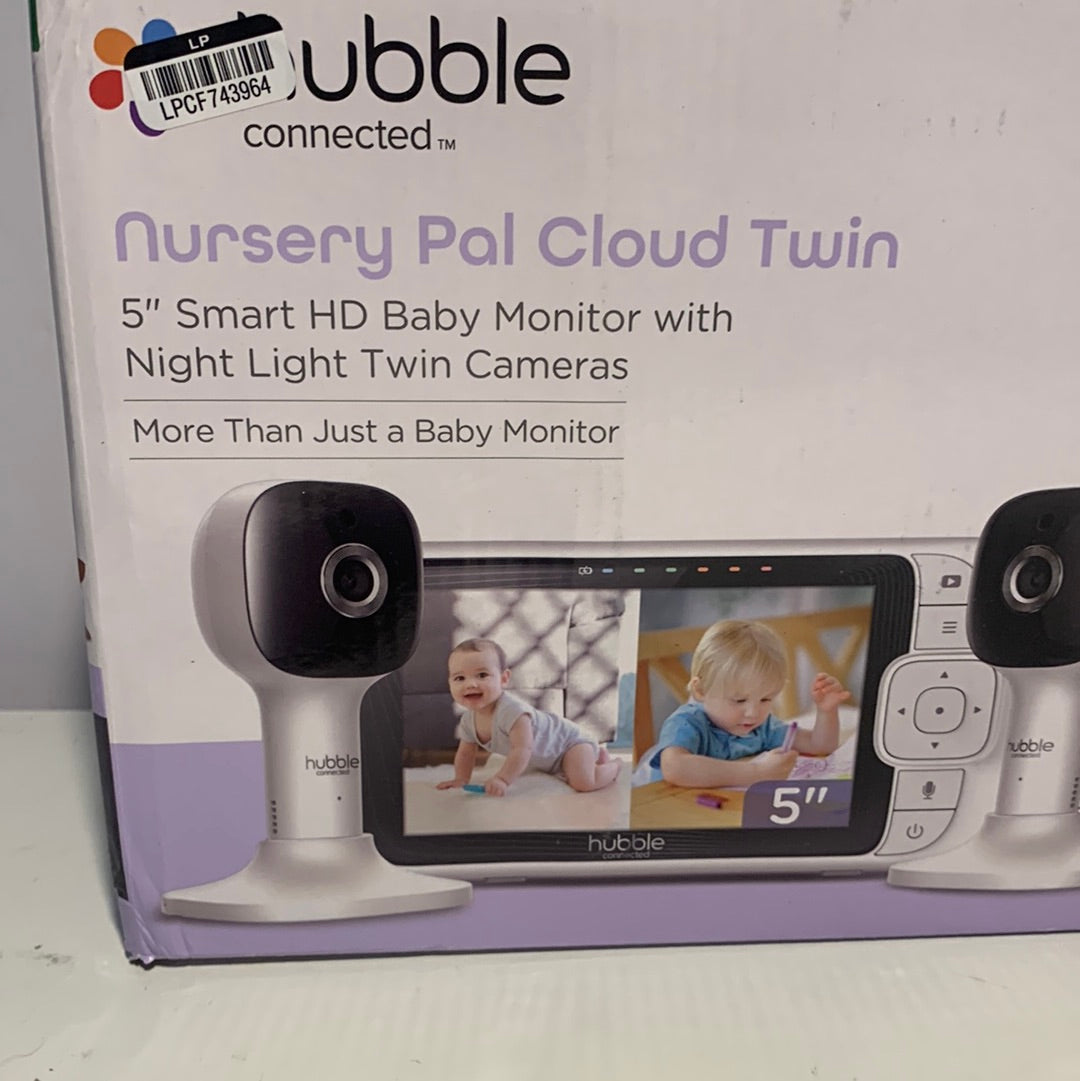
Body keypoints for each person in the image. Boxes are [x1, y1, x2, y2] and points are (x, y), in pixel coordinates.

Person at [634, 619, 848, 787]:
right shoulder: (686, 723)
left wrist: (826, 712)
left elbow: (820, 745)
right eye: (739, 700)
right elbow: (674, 767)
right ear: (701, 690)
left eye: (765, 699)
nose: (753, 712)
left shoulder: (762, 727)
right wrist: (757, 773)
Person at [437, 637, 620, 797]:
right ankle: (596, 762)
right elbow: (466, 753)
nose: (470, 684)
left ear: (504, 678)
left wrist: (502, 779)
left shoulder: (513, 712)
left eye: (482, 675)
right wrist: (461, 779)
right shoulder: (468, 721)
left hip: (571, 745)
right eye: (459, 678)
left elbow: (522, 749)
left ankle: (613, 766)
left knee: (583, 783)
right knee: (573, 771)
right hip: (551, 759)